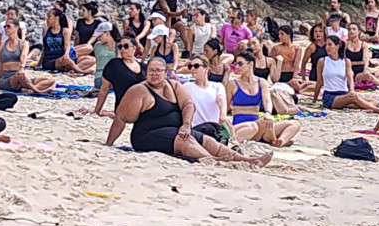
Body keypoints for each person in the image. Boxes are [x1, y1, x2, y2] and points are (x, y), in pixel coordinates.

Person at [107, 55, 263, 164]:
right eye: (150, 71)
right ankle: (213, 160)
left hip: (176, 130)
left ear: (166, 72)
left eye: (158, 70)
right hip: (147, 135)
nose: (154, 74)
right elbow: (121, 118)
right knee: (185, 140)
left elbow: (188, 105)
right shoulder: (139, 91)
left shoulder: (174, 86)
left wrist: (186, 124)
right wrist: (109, 144)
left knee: (207, 140)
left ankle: (248, 161)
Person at [224, 50, 298, 147]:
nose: (237, 67)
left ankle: (281, 141)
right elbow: (225, 106)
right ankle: (274, 140)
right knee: (261, 124)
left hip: (259, 123)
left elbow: (267, 100)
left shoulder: (261, 82)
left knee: (294, 124)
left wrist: (268, 113)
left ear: (250, 64)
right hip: (243, 125)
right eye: (236, 64)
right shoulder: (232, 84)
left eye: (240, 64)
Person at [0, 11, 56, 94]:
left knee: (50, 80)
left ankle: (28, 89)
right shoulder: (2, 43)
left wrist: (22, 67)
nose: (6, 28)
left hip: (20, 74)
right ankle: (38, 90)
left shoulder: (23, 44)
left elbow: (23, 56)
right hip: (7, 77)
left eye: (9, 26)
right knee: (19, 77)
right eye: (5, 26)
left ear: (16, 27)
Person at [314, 36, 379, 113]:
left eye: (330, 45)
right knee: (353, 98)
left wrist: (352, 90)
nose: (327, 47)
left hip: (344, 93)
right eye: (326, 45)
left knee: (374, 101)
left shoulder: (346, 61)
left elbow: (350, 78)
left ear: (337, 46)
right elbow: (319, 81)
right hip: (331, 96)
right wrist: (314, 99)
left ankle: (363, 108)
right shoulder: (322, 61)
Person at [92, 35, 145, 116]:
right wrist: (97, 110)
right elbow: (104, 89)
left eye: (126, 46)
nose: (122, 49)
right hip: (125, 108)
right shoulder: (114, 64)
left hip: (144, 106)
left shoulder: (144, 67)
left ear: (134, 48)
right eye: (120, 47)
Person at [36, 6, 80, 75]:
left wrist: (66, 55)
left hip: (62, 57)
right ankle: (80, 70)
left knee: (89, 60)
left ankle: (71, 68)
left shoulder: (65, 31)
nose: (47, 19)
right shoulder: (46, 30)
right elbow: (45, 48)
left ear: (56, 18)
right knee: (65, 62)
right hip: (49, 60)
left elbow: (67, 45)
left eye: (49, 16)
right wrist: (39, 63)